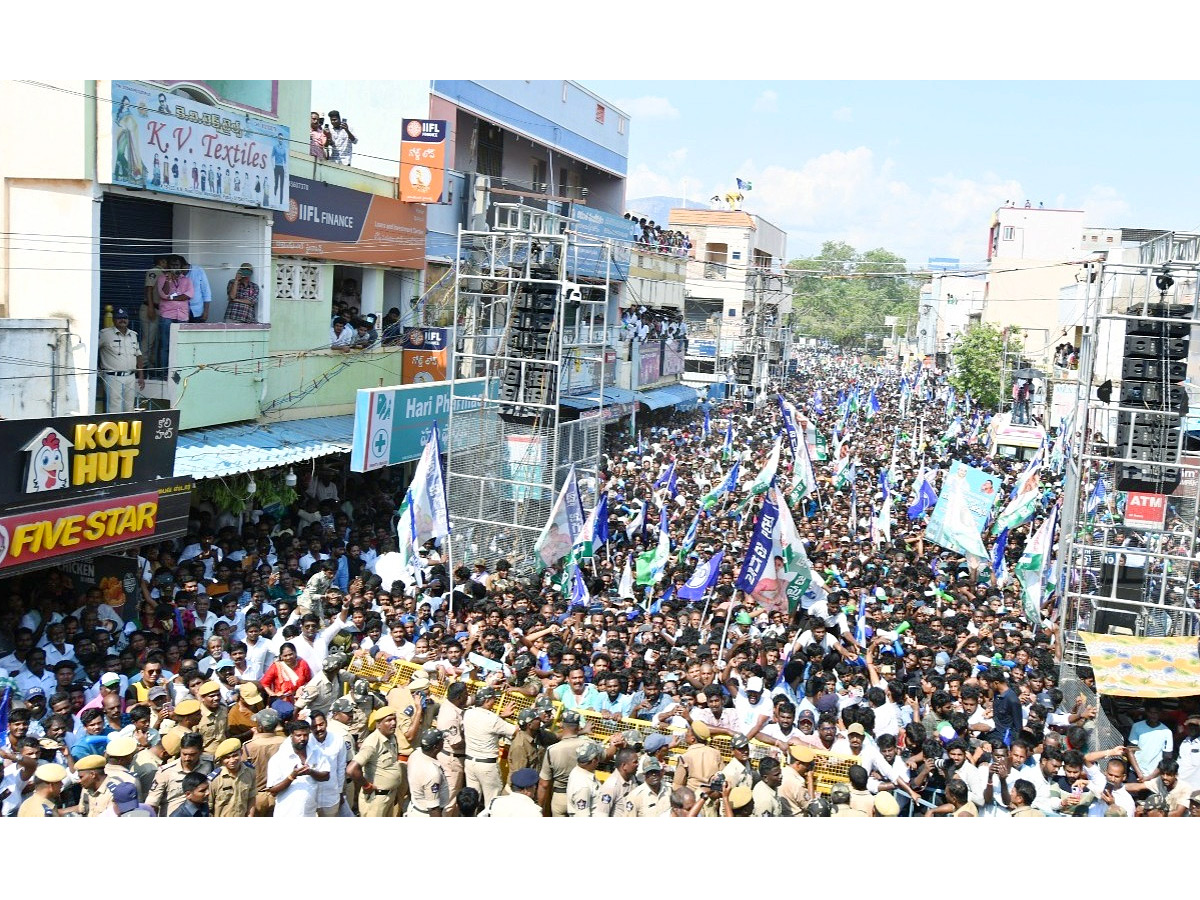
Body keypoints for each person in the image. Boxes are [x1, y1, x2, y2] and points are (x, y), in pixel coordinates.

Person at [462, 686, 516, 807]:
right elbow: (514, 731)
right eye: (493, 699)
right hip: (487, 766)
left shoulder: (468, 713)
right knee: (492, 803)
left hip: (470, 763)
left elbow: (485, 724)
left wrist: (501, 716)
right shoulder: (492, 719)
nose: (494, 702)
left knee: (471, 801)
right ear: (486, 701)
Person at [267, 718, 330, 817]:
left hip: (310, 813)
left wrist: (311, 772)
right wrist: (292, 776)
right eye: (298, 735)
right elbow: (273, 791)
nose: (303, 738)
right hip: (287, 814)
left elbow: (326, 776)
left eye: (306, 735)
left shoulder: (316, 752)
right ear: (291, 736)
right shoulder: (278, 758)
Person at [97, 308, 146, 412]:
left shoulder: (133, 335)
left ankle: (128, 428)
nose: (122, 320)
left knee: (129, 406)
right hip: (113, 376)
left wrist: (141, 376)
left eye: (124, 318)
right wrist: (97, 369)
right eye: (119, 318)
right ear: (114, 320)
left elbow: (138, 355)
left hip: (130, 376)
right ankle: (115, 428)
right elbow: (93, 350)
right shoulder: (105, 334)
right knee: (115, 406)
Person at [155, 261, 193, 370]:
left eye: (177, 266)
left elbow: (189, 295)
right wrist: (168, 279)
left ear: (180, 267)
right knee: (165, 345)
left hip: (182, 316)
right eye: (172, 265)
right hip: (167, 315)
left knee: (181, 345)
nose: (174, 268)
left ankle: (178, 371)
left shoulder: (187, 280)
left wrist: (171, 298)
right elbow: (164, 294)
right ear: (168, 267)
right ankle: (164, 372)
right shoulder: (162, 278)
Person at [177, 256, 212, 323]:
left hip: (197, 310)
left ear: (186, 265)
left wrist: (206, 312)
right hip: (180, 310)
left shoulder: (198, 270)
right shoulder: (177, 273)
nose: (181, 272)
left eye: (182, 269)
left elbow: (206, 292)